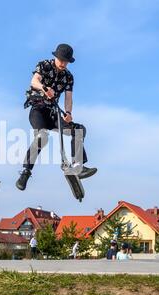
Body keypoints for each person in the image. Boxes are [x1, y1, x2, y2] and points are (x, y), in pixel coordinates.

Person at [16, 43, 97, 191]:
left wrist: (68, 113)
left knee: (78, 130)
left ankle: (78, 167)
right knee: (42, 137)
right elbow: (34, 81)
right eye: (61, 60)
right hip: (38, 110)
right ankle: (25, 172)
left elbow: (68, 98)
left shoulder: (68, 77)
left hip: (53, 113)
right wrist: (45, 88)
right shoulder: (44, 65)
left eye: (66, 61)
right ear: (56, 57)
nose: (63, 64)